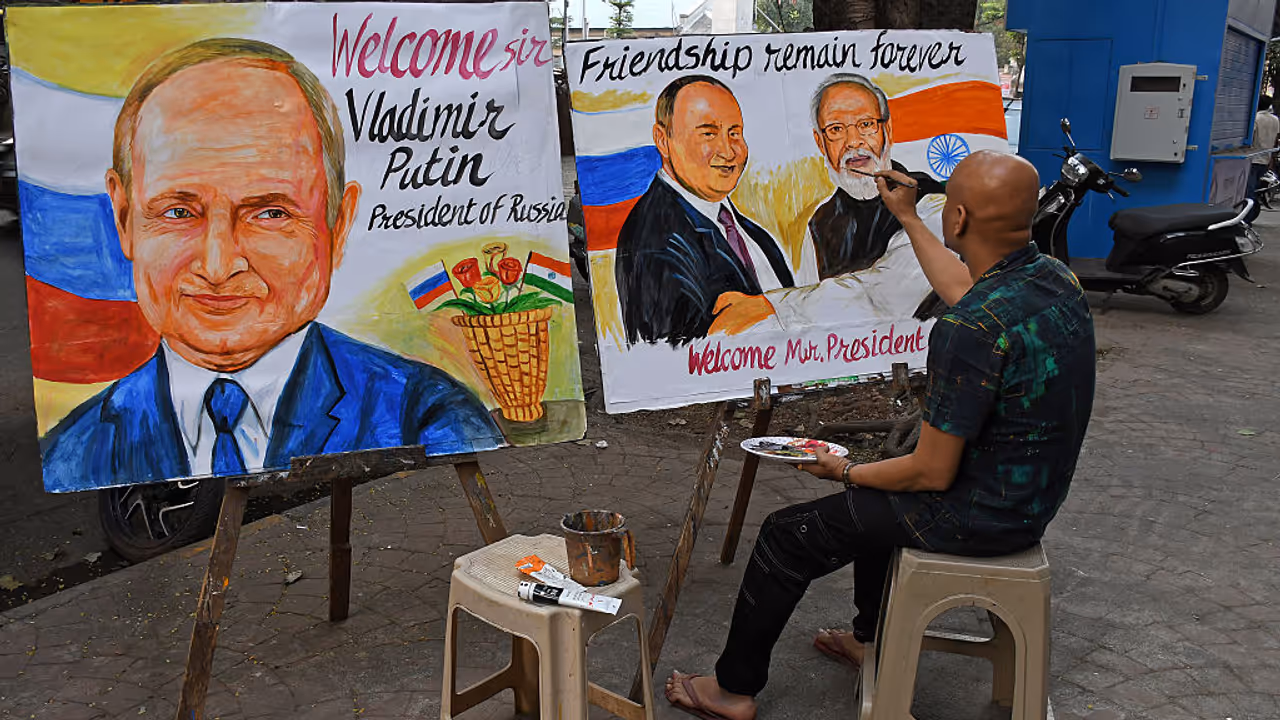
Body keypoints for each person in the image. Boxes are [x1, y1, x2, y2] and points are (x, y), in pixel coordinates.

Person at [664, 151, 1096, 720]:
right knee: (871, 504)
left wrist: (842, 469)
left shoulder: (964, 332)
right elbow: (968, 294)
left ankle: (732, 690)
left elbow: (929, 473)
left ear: (959, 219)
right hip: (1032, 501)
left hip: (975, 514)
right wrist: (911, 217)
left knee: (786, 534)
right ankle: (870, 642)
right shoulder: (1052, 279)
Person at [40, 38, 500, 493]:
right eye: (179, 212)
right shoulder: (72, 452)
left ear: (337, 224)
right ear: (124, 218)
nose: (218, 267)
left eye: (270, 213)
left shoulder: (426, 417)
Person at [705, 74, 947, 336]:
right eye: (836, 130)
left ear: (886, 131)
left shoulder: (931, 202)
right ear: (820, 143)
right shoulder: (820, 223)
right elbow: (811, 320)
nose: (853, 142)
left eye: (865, 125)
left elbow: (885, 296)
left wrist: (770, 306)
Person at [615, 75, 795, 347]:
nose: (728, 151)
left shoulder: (747, 231)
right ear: (663, 140)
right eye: (708, 133)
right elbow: (675, 356)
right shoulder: (654, 239)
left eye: (734, 133)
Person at [1246, 94, 1278, 223]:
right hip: (1265, 159)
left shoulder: (1256, 119)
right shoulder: (1275, 120)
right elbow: (1275, 140)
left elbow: (1250, 139)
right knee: (1254, 190)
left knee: (1249, 192)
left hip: (1253, 159)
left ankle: (1246, 219)